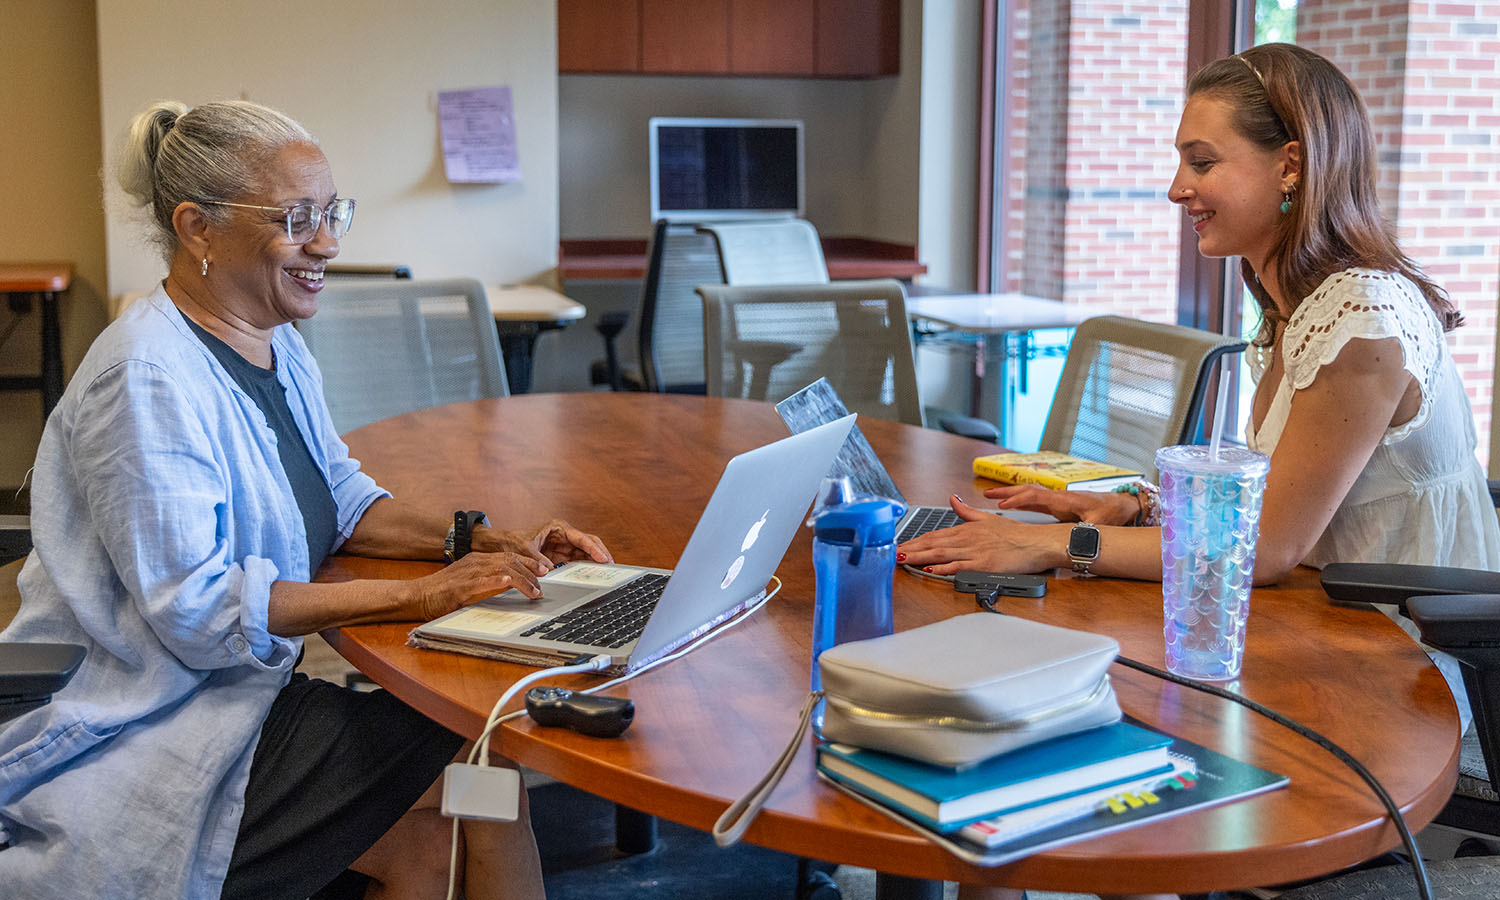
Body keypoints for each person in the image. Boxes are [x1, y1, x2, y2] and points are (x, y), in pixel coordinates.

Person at [911, 43, 1500, 900]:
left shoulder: (1359, 318)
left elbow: (1263, 548)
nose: (1178, 188)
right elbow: (1281, 493)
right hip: (1326, 632)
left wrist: (1056, 546)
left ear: (1289, 165)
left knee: (1062, 726)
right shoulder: (1302, 305)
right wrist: (1124, 506)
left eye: (1203, 161)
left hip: (1403, 677)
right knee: (1058, 702)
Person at [0, 99, 612, 900]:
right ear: (197, 228)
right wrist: (420, 594)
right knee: (484, 773)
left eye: (332, 212)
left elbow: (339, 496)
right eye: (296, 218)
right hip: (151, 719)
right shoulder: (145, 376)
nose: (326, 241)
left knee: (443, 840)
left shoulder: (274, 342)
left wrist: (486, 542)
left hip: (235, 697)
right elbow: (197, 610)